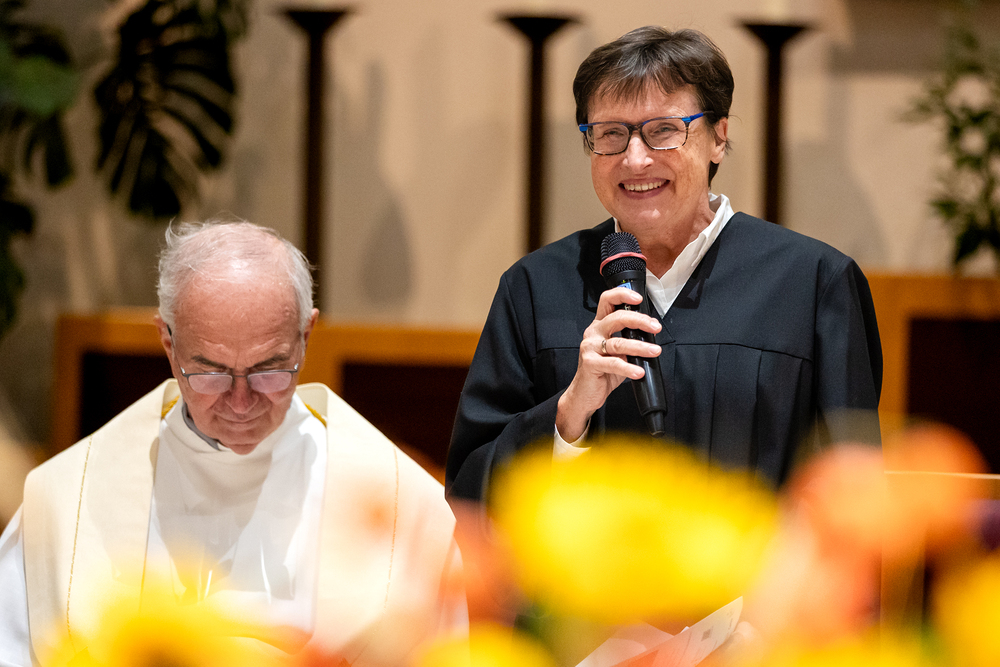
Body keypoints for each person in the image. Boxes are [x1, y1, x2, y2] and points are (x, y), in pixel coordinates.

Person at [446, 26, 882, 503]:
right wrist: (567, 416)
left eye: (663, 131)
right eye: (611, 134)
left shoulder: (813, 285)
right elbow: (470, 490)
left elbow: (854, 502)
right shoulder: (534, 288)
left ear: (718, 137)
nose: (635, 160)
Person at [0, 220, 465, 665]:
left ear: (305, 337)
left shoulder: (404, 504)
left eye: (269, 369)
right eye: (211, 372)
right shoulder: (66, 499)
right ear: (168, 343)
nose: (241, 403)